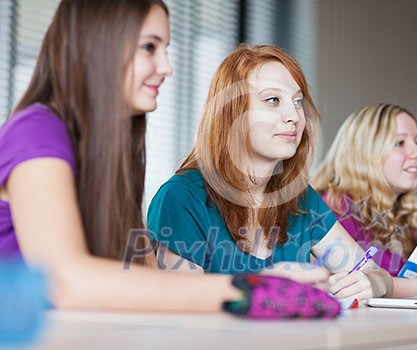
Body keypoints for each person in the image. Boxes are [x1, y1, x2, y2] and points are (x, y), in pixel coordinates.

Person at [0, 0, 339, 318]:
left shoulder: (114, 153)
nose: (167, 67)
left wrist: (268, 281)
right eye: (149, 47)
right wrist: (249, 289)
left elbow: (145, 273)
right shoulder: (37, 130)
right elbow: (63, 279)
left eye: (166, 49)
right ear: (98, 45)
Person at [148, 45, 417, 306]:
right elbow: (180, 305)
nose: (294, 116)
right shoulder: (181, 197)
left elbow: (367, 270)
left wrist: (373, 283)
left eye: (298, 101)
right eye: (273, 100)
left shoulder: (300, 197)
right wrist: (264, 286)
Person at [312, 103, 417, 295]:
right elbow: (347, 286)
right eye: (400, 143)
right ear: (365, 151)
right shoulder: (336, 207)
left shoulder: (411, 209)